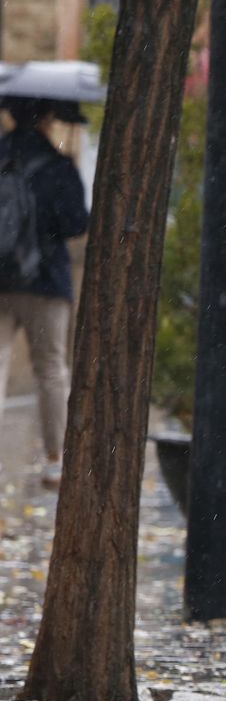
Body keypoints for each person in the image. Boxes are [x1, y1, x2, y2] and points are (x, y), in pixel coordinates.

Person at [0, 97, 90, 488]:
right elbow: (75, 224)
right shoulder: (57, 165)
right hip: (46, 281)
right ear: (49, 115)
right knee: (51, 369)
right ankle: (55, 461)